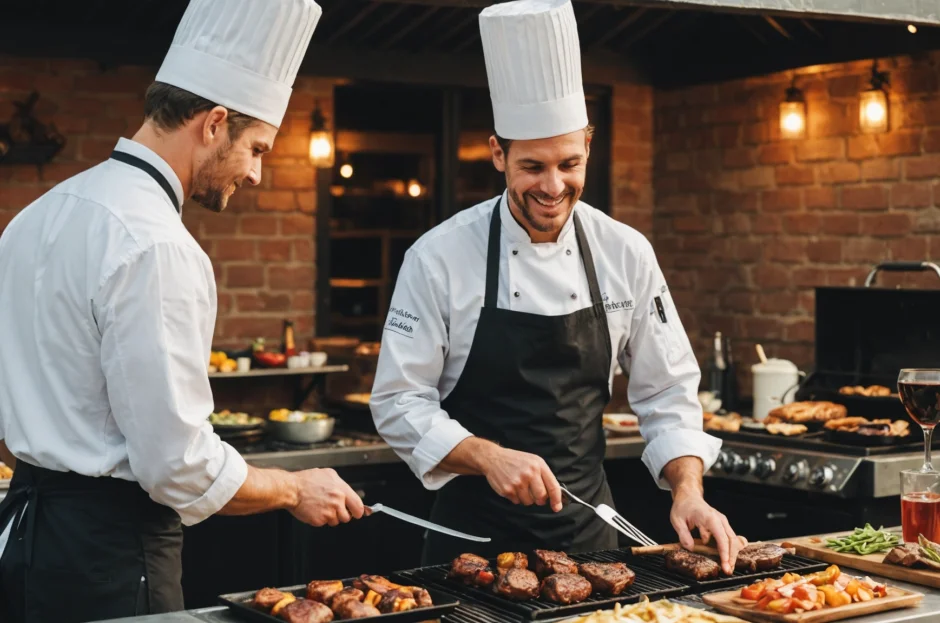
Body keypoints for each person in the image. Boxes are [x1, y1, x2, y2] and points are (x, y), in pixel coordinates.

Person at [0, 1, 364, 620]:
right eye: (257, 149)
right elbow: (178, 466)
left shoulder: (36, 215)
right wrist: (295, 487)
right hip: (108, 560)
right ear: (214, 122)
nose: (254, 174)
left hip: (24, 546)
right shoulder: (158, 245)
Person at [370, 0, 742, 571]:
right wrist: (488, 457)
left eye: (569, 164)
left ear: (589, 146)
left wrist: (687, 489)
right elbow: (398, 401)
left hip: (591, 545)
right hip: (469, 550)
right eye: (532, 167)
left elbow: (667, 393)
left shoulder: (626, 252)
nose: (553, 186)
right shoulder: (439, 256)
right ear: (499, 154)